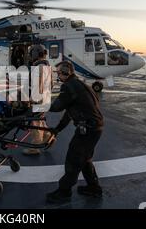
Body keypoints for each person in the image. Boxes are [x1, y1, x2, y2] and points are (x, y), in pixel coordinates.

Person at [46, 61, 104, 204]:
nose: (58, 76)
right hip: (95, 128)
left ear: (66, 72)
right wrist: (58, 129)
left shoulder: (69, 86)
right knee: (84, 159)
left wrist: (39, 104)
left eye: (59, 73)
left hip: (88, 130)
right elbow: (69, 112)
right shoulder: (79, 84)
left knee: (73, 159)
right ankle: (93, 188)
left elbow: (56, 107)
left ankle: (64, 192)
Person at [23, 44, 54, 155]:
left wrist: (33, 99)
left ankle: (35, 148)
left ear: (35, 54)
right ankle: (49, 137)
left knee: (34, 122)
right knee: (40, 120)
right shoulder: (47, 65)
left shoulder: (39, 67)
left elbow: (38, 85)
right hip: (46, 98)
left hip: (38, 99)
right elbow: (51, 84)